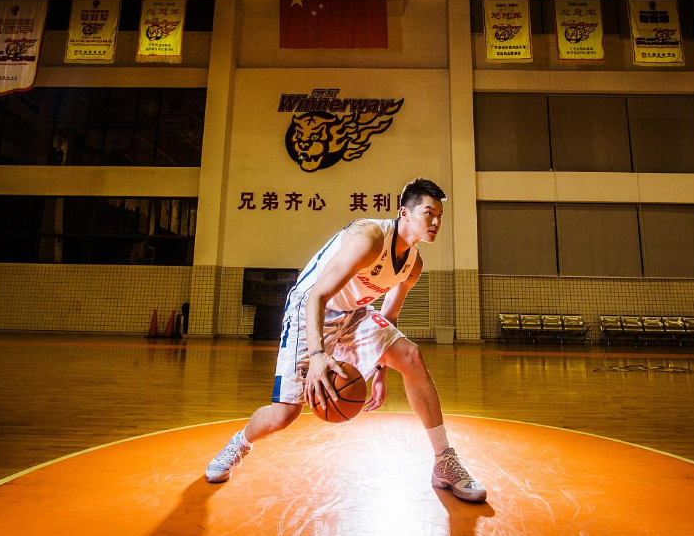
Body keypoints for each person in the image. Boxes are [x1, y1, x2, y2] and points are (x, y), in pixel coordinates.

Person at [205, 178, 486, 502]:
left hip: (355, 312)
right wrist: (318, 355)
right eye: (428, 213)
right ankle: (239, 443)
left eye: (440, 215)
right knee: (284, 415)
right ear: (404, 214)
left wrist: (381, 372)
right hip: (311, 309)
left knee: (410, 356)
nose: (436, 221)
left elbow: (389, 318)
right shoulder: (369, 238)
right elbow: (316, 296)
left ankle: (444, 462)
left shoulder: (413, 265)